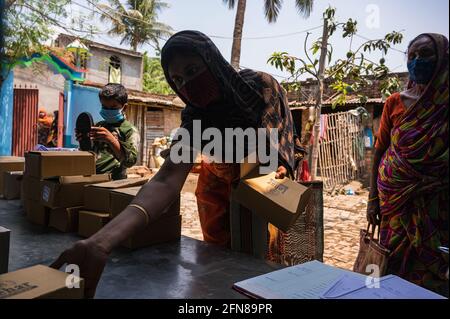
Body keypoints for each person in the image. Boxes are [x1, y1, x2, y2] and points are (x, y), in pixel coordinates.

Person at [51, 30, 305, 298]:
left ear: (213, 61)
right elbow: (166, 179)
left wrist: (281, 165)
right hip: (217, 189)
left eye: (194, 69)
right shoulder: (196, 117)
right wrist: (100, 243)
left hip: (267, 187)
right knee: (226, 266)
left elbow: (281, 139)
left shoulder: (259, 87)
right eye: (179, 79)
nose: (189, 84)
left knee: (267, 268)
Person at [367, 33, 448, 296]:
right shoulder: (394, 102)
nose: (417, 61)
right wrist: (372, 200)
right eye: (412, 56)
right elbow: (379, 152)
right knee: (393, 273)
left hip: (437, 207)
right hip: (394, 208)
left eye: (425, 54)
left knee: (432, 277)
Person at [76, 83, 140, 180]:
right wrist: (83, 140)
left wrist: (111, 140)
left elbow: (130, 161)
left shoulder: (130, 130)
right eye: (104, 107)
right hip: (91, 178)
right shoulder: (99, 125)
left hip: (113, 181)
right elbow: (90, 151)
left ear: (124, 107)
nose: (108, 110)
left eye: (113, 107)